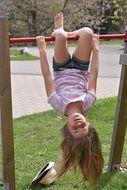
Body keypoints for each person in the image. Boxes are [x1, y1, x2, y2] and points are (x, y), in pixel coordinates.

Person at [36, 12, 104, 186]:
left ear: (67, 128)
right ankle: (67, 34)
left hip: (61, 67)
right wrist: (95, 50)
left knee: (60, 36)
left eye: (76, 129)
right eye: (84, 127)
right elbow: (94, 73)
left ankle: (60, 30)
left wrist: (42, 51)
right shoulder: (89, 100)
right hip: (81, 67)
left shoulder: (57, 104)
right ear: (89, 123)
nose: (79, 123)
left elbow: (47, 77)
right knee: (88, 32)